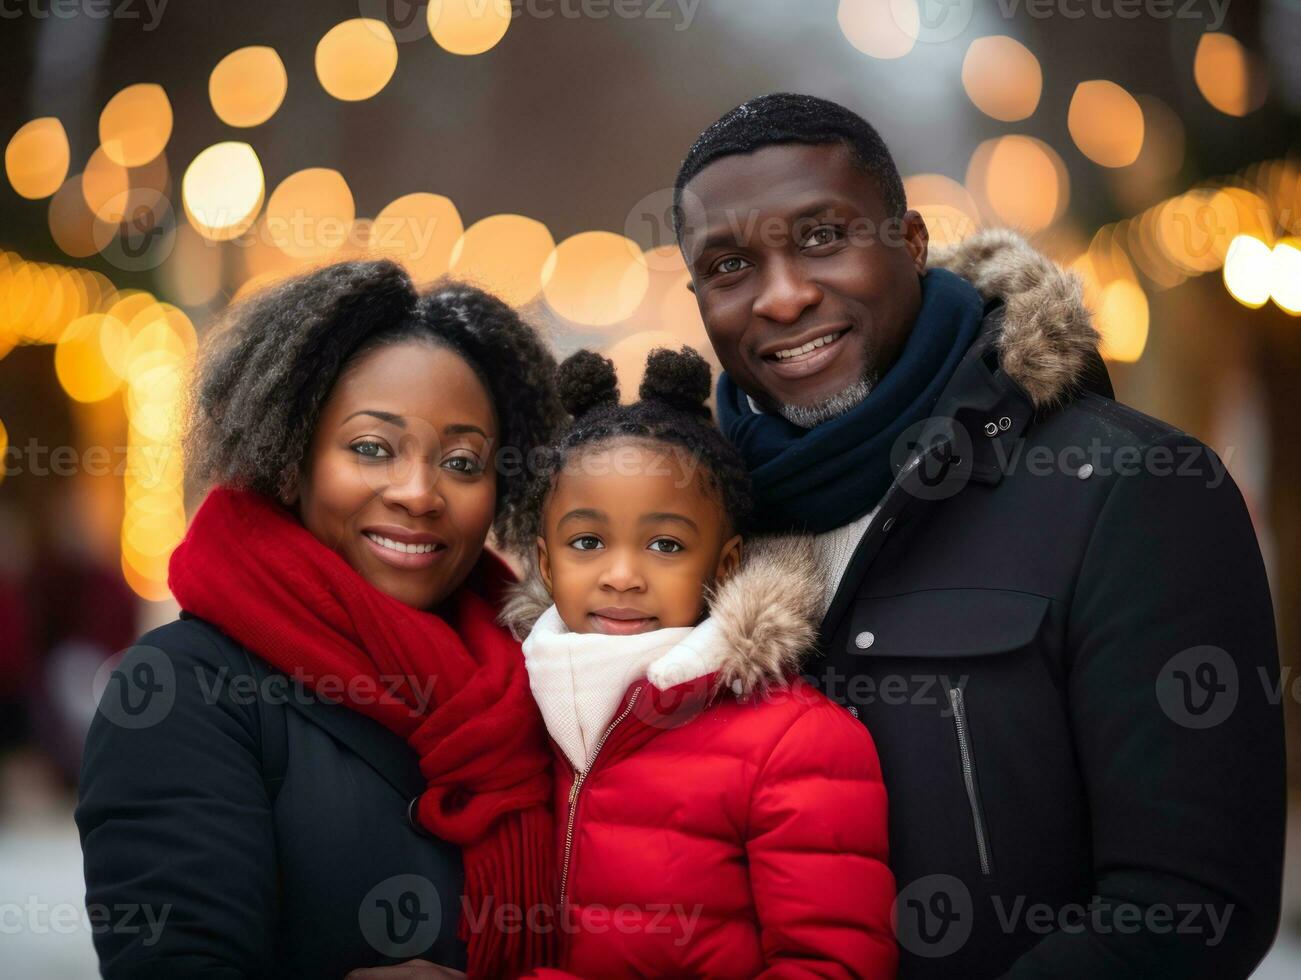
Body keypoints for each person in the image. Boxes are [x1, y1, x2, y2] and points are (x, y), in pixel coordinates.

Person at [672, 93, 1285, 979]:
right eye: (729, 266)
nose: (784, 296)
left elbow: (1189, 907)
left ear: (910, 242)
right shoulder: (690, 535)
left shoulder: (1128, 490)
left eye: (821, 238)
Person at [76, 260, 566, 979]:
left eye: (462, 462)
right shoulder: (184, 687)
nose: (418, 492)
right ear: (291, 454)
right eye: (371, 448)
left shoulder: (551, 677)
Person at [502, 346, 896, 978]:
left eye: (665, 544)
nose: (623, 576)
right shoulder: (511, 710)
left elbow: (832, 966)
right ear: (546, 565)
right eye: (587, 542)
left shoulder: (796, 741)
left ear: (725, 564)